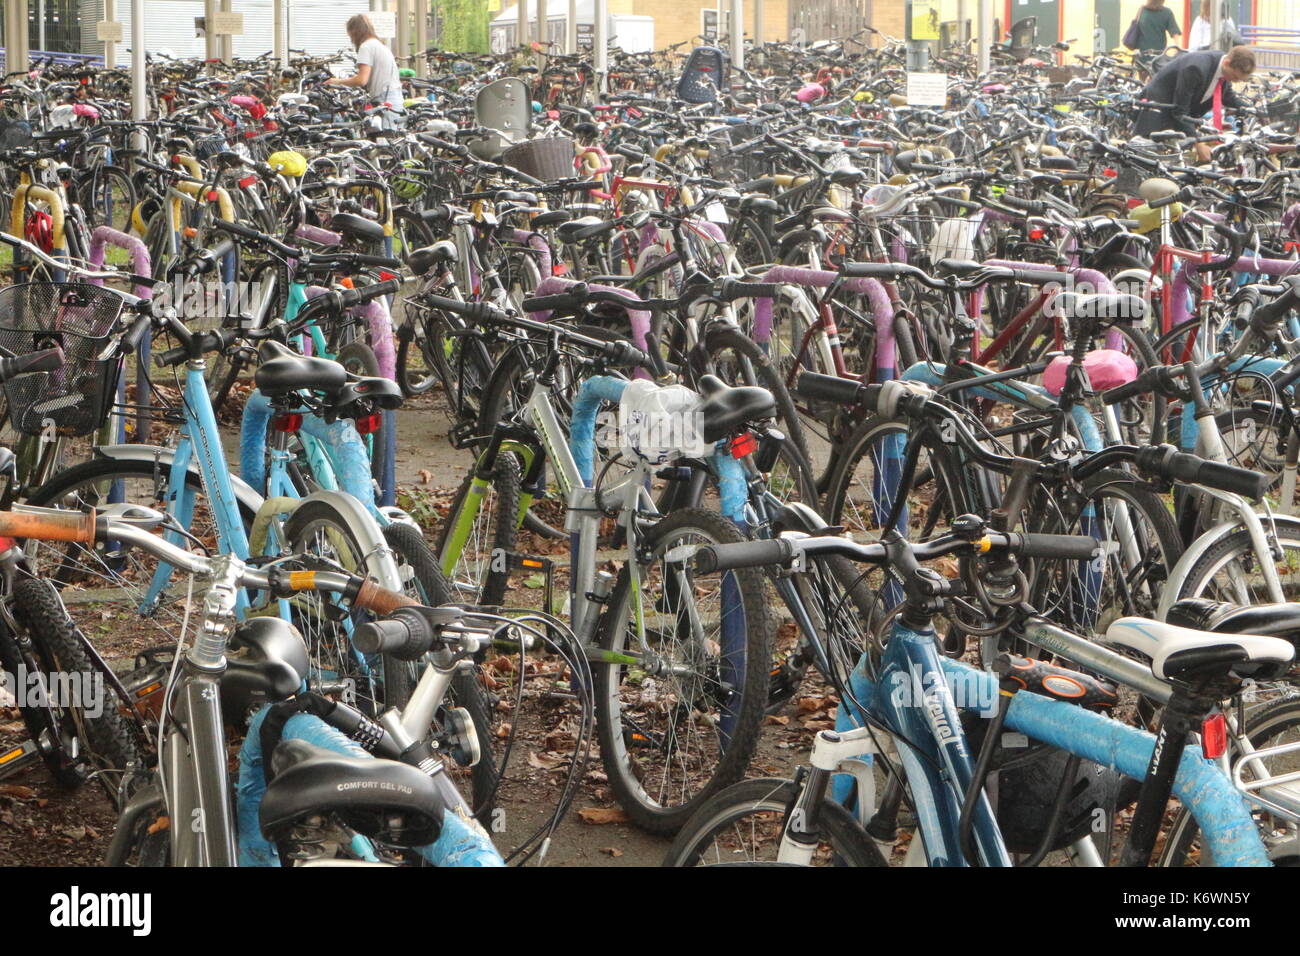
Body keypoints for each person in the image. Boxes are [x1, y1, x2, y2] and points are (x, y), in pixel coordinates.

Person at [1133, 45, 1255, 160]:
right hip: (1159, 111)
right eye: (1234, 76)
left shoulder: (1223, 68)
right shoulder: (1196, 68)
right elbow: (1180, 111)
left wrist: (1252, 110)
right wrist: (1198, 142)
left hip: (1178, 113)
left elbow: (1227, 96)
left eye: (1239, 79)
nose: (1235, 81)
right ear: (1227, 63)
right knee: (1152, 160)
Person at [325, 14, 405, 123]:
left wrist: (336, 82)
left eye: (350, 36)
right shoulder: (378, 44)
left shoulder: (366, 47)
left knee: (385, 137)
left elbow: (361, 80)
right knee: (395, 137)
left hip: (384, 98)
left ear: (355, 32)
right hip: (394, 96)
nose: (351, 40)